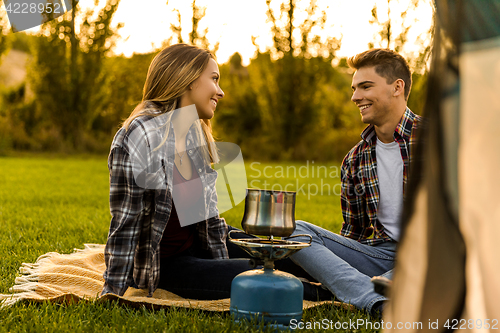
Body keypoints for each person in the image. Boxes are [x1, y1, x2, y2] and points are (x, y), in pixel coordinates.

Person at [100, 43, 326, 301]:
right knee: (261, 276)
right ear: (188, 79)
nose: (221, 92)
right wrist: (113, 292)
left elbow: (208, 219)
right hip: (165, 265)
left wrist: (225, 261)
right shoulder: (139, 135)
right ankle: (340, 298)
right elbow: (126, 223)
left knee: (284, 254)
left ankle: (361, 282)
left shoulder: (192, 131)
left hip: (200, 245)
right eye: (214, 79)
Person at [285, 48, 423, 315]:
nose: (355, 97)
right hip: (383, 257)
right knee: (294, 231)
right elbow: (354, 233)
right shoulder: (355, 159)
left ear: (397, 87)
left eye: (365, 86)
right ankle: (378, 298)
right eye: (354, 88)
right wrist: (331, 264)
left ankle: (374, 290)